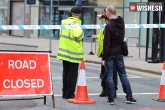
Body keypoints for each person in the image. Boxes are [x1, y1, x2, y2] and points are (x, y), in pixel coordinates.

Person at [101, 5, 137, 105]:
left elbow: (106, 44)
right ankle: (129, 97)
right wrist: (103, 16)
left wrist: (103, 58)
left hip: (110, 55)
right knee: (123, 75)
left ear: (108, 13)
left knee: (109, 75)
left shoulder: (108, 26)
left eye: (106, 13)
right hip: (119, 54)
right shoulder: (121, 21)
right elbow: (112, 17)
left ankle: (111, 98)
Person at [57, 7, 85, 99]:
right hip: (73, 53)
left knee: (65, 73)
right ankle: (70, 93)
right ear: (79, 15)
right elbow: (79, 36)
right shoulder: (75, 24)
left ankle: (64, 92)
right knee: (72, 74)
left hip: (64, 52)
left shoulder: (64, 22)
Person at [91, 8, 118, 97]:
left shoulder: (113, 24)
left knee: (111, 72)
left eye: (105, 13)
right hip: (105, 52)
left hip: (110, 52)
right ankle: (105, 89)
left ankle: (112, 90)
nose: (104, 15)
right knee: (104, 72)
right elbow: (105, 37)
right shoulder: (106, 25)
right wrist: (97, 37)